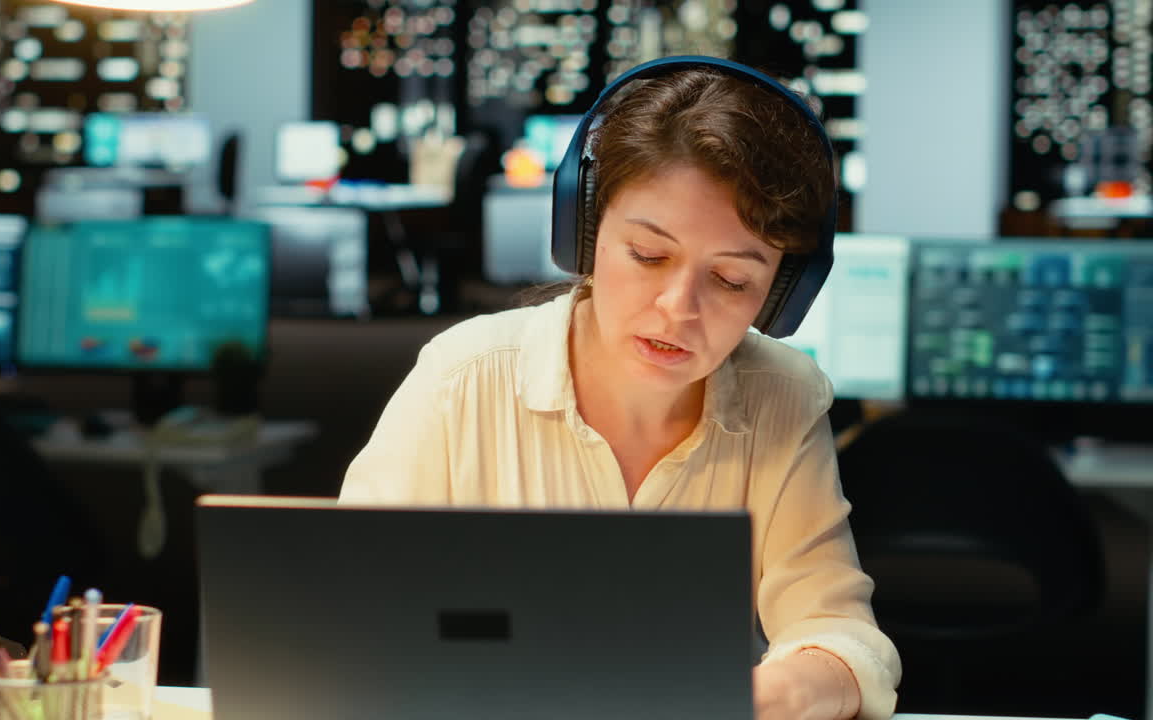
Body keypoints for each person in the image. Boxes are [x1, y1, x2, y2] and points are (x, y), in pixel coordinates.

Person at [340, 56, 902, 720]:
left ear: (780, 295)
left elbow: (839, 631)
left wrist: (790, 686)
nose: (678, 308)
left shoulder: (780, 398)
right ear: (584, 231)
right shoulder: (463, 378)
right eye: (648, 254)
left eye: (731, 281)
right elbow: (350, 619)